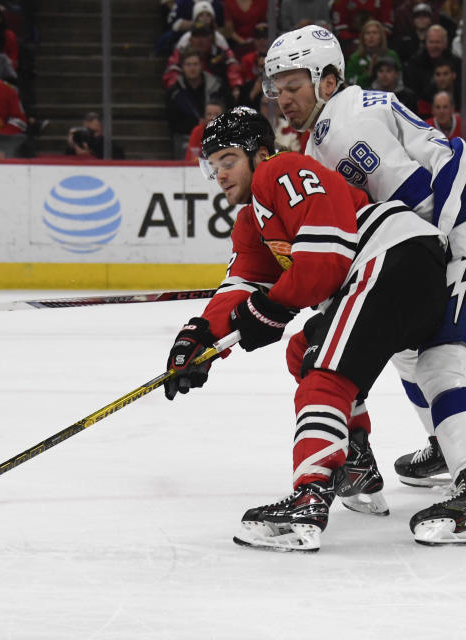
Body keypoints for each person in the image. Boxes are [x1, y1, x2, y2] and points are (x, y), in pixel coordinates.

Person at [262, 25, 466, 545]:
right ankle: (446, 446)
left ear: (328, 80)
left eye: (293, 84)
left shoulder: (343, 131)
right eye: (276, 87)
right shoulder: (328, 130)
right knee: (408, 349)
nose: (282, 98)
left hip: (463, 229)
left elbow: (419, 203)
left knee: (442, 357)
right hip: (449, 231)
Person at [164, 106, 449, 552]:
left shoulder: (281, 171)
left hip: (394, 258)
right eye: (212, 165)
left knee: (325, 376)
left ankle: (310, 495)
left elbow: (323, 262)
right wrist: (199, 339)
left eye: (228, 160)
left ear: (260, 153)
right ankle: (354, 464)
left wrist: (270, 308)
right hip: (399, 273)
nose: (219, 174)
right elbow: (242, 287)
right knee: (305, 350)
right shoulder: (252, 222)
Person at [165, 47, 231, 137]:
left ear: (201, 66)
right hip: (185, 136)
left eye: (195, 64)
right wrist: (197, 124)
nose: (192, 68)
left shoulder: (217, 86)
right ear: (182, 67)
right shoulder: (174, 92)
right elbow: (172, 121)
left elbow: (229, 110)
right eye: (188, 65)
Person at [345, 19, 400, 88]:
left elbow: (399, 79)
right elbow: (350, 82)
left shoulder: (391, 55)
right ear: (363, 38)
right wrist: (369, 73)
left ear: (381, 37)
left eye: (375, 33)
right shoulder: (355, 58)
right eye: (367, 33)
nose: (371, 36)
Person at [426, 91, 466, 158]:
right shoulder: (425, 128)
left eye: (445, 107)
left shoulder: (464, 126)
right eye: (438, 107)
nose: (441, 111)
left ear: (452, 109)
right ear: (432, 110)